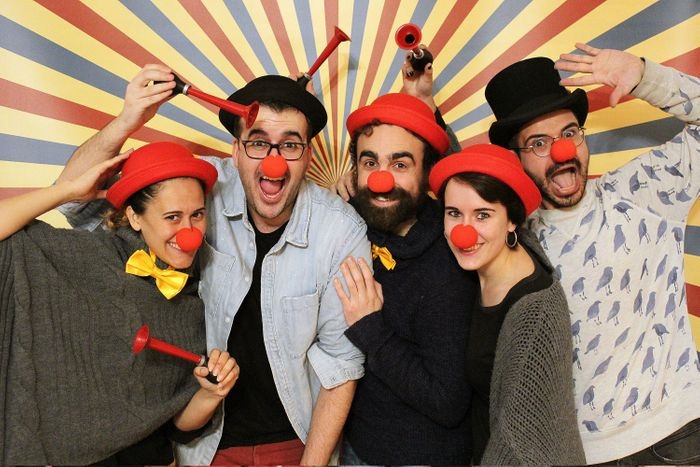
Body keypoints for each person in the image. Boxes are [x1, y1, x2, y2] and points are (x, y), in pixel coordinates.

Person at [56, 65, 370, 465]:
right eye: (258, 143)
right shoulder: (200, 186)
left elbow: (341, 364)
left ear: (308, 155)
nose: (273, 162)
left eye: (290, 145)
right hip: (204, 445)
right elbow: (74, 204)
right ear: (235, 151)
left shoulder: (340, 231)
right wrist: (126, 121)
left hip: (296, 441)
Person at [483, 43, 700, 464]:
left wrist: (644, 75)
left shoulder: (643, 192)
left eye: (569, 134)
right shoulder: (512, 242)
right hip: (583, 454)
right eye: (539, 143)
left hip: (678, 438)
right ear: (515, 158)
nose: (561, 152)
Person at [0, 141, 238, 466]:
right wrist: (67, 191)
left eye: (197, 215)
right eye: (172, 217)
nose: (189, 233)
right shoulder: (85, 256)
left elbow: (178, 424)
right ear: (134, 217)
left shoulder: (197, 298)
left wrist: (210, 393)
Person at [331, 92, 478, 465]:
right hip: (355, 447)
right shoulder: (349, 224)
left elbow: (448, 402)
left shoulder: (449, 261)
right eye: (370, 162)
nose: (381, 180)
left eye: (400, 164)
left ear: (426, 173)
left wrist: (371, 328)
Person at [428, 143, 585, 464]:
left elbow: (522, 443)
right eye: (454, 213)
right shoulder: (489, 262)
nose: (463, 232)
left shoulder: (533, 311)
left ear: (512, 221)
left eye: (483, 215)